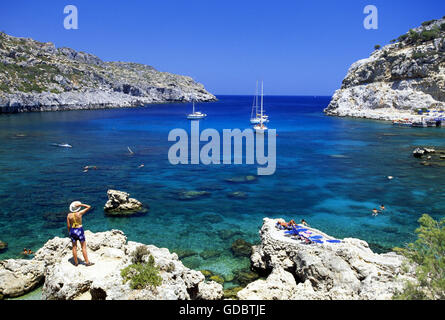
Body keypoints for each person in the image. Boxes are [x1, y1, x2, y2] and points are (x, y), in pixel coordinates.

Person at [67, 201, 94, 267]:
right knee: (83, 247)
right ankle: (87, 262)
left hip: (72, 230)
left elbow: (68, 225)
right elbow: (89, 206)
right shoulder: (79, 213)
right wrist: (80, 205)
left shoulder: (69, 215)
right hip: (79, 231)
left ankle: (76, 263)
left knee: (74, 247)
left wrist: (69, 232)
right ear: (77, 208)